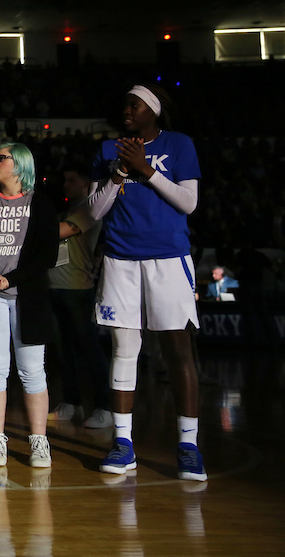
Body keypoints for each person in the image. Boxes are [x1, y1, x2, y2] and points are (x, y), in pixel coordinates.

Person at [88, 84, 206, 481]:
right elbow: (95, 209)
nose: (127, 110)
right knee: (124, 348)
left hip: (169, 259)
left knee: (177, 349)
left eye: (135, 105)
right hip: (120, 259)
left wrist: (147, 169)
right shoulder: (108, 151)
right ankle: (123, 443)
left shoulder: (179, 143)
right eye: (124, 104)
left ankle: (188, 446)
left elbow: (188, 203)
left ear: (152, 111)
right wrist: (120, 172)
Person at [0, 142, 58, 469]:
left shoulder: (41, 205)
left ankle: (39, 442)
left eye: (1, 158)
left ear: (19, 165)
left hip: (27, 298)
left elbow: (46, 256)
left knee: (32, 371)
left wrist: (10, 279)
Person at [46, 164, 111, 429]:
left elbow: (61, 232)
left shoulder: (90, 209)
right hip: (55, 288)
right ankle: (71, 403)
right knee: (63, 351)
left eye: (71, 179)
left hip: (77, 290)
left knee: (89, 349)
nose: (65, 185)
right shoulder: (68, 210)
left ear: (86, 183)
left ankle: (105, 407)